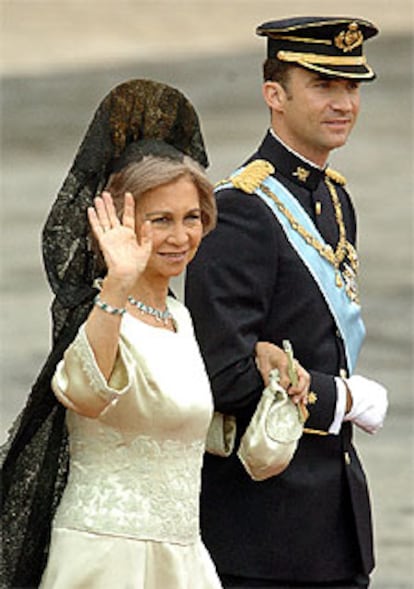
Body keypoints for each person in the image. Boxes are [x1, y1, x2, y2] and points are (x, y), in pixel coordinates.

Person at [185, 16, 388, 589]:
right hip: (263, 534)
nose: (343, 102)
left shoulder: (334, 196)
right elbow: (225, 374)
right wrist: (338, 398)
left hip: (334, 523)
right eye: (323, 86)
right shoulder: (242, 211)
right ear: (274, 94)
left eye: (351, 87)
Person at [1, 79, 222, 589]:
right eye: (159, 219)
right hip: (108, 559)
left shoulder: (177, 316)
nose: (180, 236)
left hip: (182, 557)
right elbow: (82, 390)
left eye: (191, 217)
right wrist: (118, 284)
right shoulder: (100, 308)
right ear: (116, 222)